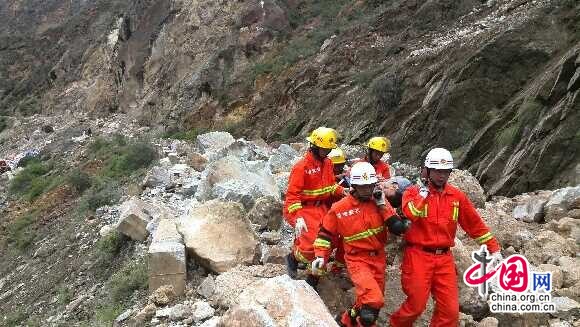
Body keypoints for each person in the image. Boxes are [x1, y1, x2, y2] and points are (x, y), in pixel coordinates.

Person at [390, 148, 502, 327]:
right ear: (427, 171)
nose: (442, 176)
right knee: (416, 306)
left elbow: (474, 225)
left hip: (444, 259)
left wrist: (493, 248)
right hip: (418, 256)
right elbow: (409, 214)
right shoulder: (412, 192)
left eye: (445, 172)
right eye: (437, 171)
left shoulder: (456, 196)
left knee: (450, 312)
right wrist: (423, 196)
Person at [312, 162, 410, 327]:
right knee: (373, 301)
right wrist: (320, 256)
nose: (367, 190)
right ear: (354, 186)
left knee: (372, 306)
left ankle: (347, 320)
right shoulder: (339, 208)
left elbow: (396, 227)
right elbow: (325, 234)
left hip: (378, 258)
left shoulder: (379, 201)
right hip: (357, 260)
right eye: (363, 187)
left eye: (370, 186)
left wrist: (382, 206)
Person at [283, 127, 348, 289]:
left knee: (328, 241)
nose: (326, 152)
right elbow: (292, 195)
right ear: (314, 146)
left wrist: (342, 191)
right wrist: (297, 216)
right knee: (309, 247)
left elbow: (330, 186)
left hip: (322, 209)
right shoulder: (301, 167)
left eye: (328, 149)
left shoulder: (327, 163)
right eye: (324, 148)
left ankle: (314, 278)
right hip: (304, 209)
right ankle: (293, 258)